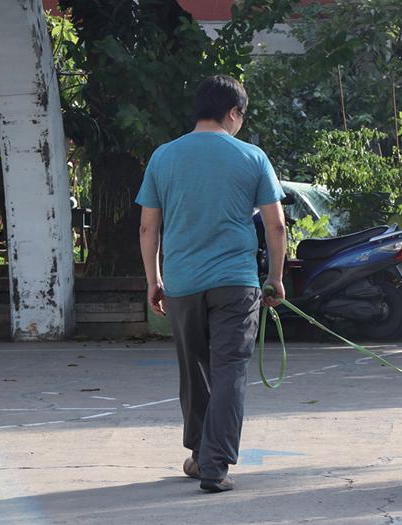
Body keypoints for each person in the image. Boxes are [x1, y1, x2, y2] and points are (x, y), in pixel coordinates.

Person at [136, 74, 287, 493]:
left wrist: (154, 279)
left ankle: (201, 454)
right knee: (229, 372)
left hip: (182, 284)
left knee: (195, 371)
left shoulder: (164, 156)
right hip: (236, 285)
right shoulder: (252, 157)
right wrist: (275, 278)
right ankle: (214, 465)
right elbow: (275, 225)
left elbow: (148, 227)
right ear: (233, 112)